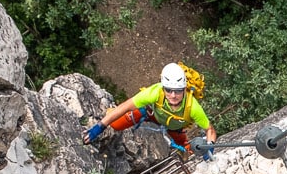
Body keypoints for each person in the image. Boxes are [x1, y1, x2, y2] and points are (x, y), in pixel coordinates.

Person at [82, 62, 218, 154]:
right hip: (150, 113)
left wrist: (209, 147)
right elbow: (124, 107)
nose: (173, 95)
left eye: (177, 91)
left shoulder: (192, 106)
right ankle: (131, 115)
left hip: (175, 128)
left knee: (187, 150)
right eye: (169, 90)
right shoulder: (155, 92)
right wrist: (100, 127)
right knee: (116, 124)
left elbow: (209, 129)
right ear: (164, 88)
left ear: (184, 89)